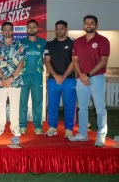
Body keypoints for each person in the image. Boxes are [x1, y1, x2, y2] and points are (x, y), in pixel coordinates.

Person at [69, 15, 110, 147]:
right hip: (81, 79)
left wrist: (88, 74)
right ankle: (82, 134)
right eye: (86, 23)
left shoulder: (103, 41)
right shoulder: (78, 41)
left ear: (96, 25)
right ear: (83, 25)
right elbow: (75, 59)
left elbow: (103, 61)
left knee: (100, 108)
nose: (89, 25)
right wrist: (81, 74)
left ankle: (100, 136)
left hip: (97, 78)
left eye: (92, 23)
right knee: (82, 108)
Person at [0, 22, 25, 137]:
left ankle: (15, 127)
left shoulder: (19, 45)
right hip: (1, 81)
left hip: (15, 80)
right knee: (0, 106)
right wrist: (1, 77)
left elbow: (21, 63)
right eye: (5, 29)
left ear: (13, 31)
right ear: (1, 31)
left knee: (15, 105)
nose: (7, 31)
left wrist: (11, 78)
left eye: (9, 29)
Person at [44, 20, 76, 138]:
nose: (59, 30)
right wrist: (56, 76)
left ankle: (69, 129)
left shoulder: (74, 43)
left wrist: (64, 76)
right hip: (53, 80)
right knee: (52, 105)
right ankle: (52, 127)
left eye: (61, 28)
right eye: (57, 28)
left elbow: (75, 61)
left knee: (69, 105)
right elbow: (47, 61)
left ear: (66, 29)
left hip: (69, 79)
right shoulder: (50, 44)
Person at [19, 19, 47, 135]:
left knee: (37, 102)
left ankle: (38, 126)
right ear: (26, 29)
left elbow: (47, 59)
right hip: (23, 76)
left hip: (37, 76)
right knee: (22, 102)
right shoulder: (21, 42)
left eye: (33, 27)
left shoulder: (44, 43)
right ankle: (22, 125)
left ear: (37, 28)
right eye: (29, 27)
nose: (31, 29)